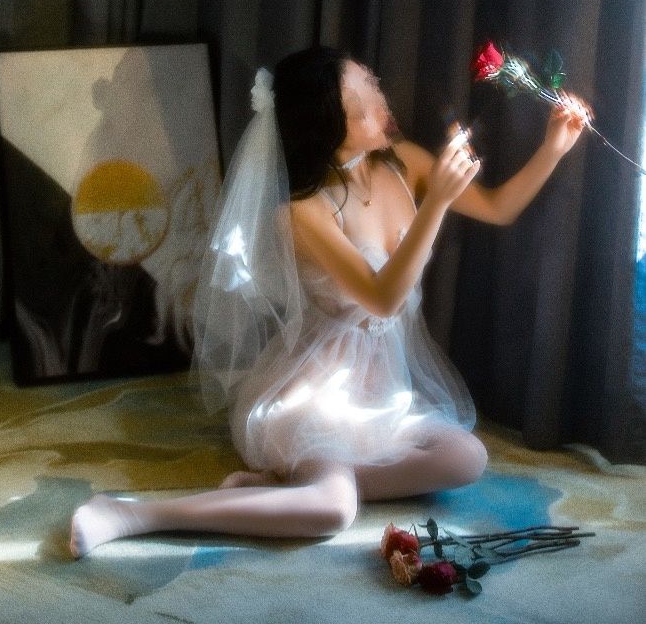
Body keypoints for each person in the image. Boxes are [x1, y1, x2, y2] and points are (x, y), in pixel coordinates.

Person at [70, 46, 591, 557]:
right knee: (334, 512)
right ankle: (131, 513)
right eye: (362, 102)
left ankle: (290, 487)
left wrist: (554, 147)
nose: (382, 104)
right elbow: (383, 299)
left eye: (374, 86)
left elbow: (498, 208)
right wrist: (436, 202)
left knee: (466, 459)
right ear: (327, 124)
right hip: (317, 393)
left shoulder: (404, 162)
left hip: (382, 388)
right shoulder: (301, 211)